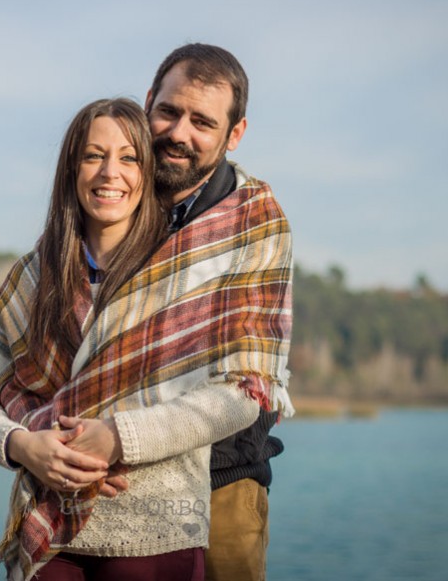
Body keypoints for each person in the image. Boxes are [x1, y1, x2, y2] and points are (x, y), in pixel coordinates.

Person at [0, 97, 290, 581]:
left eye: (129, 158)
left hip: (159, 531)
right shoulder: (33, 277)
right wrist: (24, 446)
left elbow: (239, 397)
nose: (109, 172)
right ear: (71, 168)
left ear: (148, 170)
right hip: (50, 537)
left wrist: (119, 439)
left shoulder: (190, 275)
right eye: (93, 156)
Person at [143, 43, 293, 581]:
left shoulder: (258, 221)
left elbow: (249, 380)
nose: (179, 132)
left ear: (234, 134)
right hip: (113, 483)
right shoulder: (113, 196)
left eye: (202, 122)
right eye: (169, 111)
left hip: (222, 480)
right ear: (147, 104)